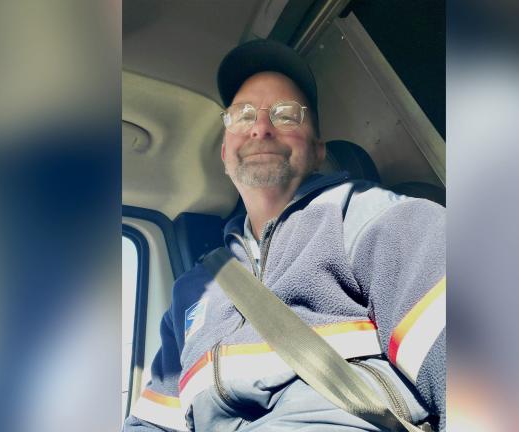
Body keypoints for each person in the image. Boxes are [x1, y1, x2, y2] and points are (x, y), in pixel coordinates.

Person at [123, 39, 446, 432]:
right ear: (225, 153)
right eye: (243, 115)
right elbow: (150, 425)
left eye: (286, 115)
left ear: (316, 150)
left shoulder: (376, 220)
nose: (261, 127)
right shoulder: (190, 292)